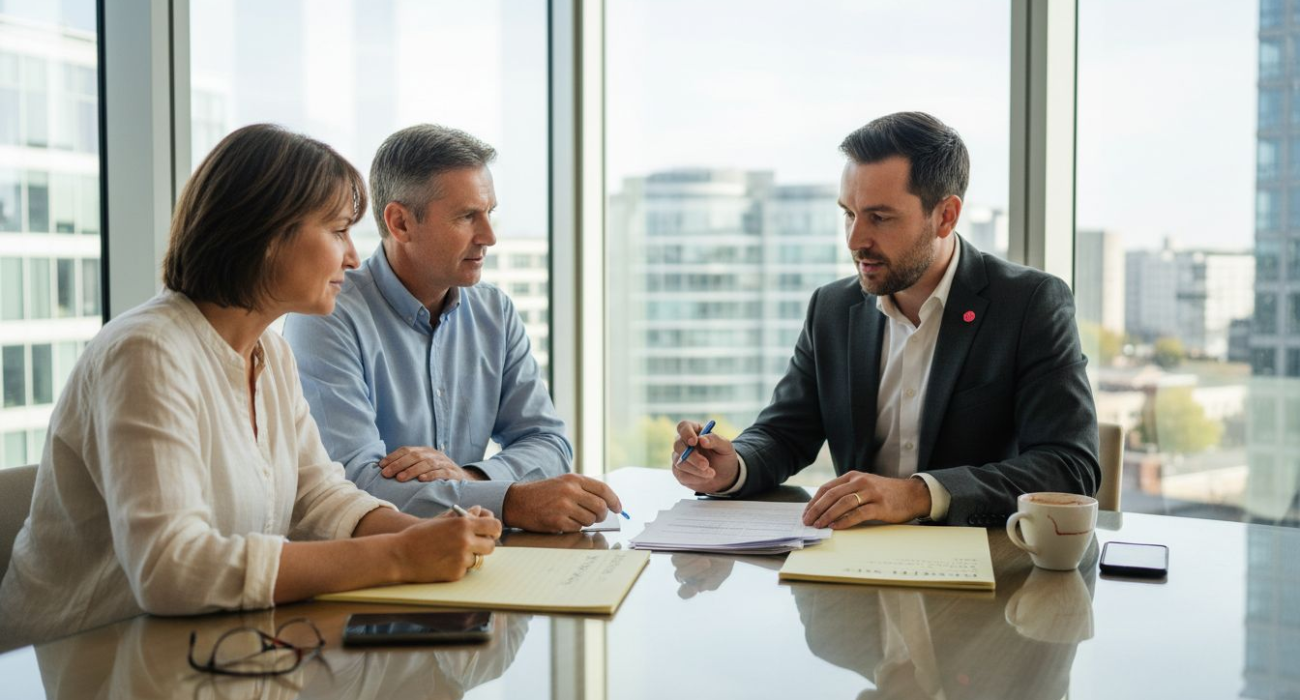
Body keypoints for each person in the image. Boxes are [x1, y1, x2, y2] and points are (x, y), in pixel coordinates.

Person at [0, 124, 501, 644]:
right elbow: (172, 569)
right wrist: (398, 556)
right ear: (264, 236)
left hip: (198, 649)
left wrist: (432, 536)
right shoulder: (145, 352)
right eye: (337, 231)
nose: (353, 257)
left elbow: (318, 498)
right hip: (75, 660)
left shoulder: (270, 353)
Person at [671, 112, 1099, 528]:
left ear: (945, 216)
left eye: (880, 217)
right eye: (848, 214)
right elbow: (785, 433)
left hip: (987, 570)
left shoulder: (1028, 304)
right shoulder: (832, 308)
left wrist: (917, 494)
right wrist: (733, 465)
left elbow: (1069, 468)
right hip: (854, 566)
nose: (856, 240)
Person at [283, 124, 621, 534]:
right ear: (401, 223)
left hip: (475, 557)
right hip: (376, 573)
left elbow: (549, 444)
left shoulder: (494, 311)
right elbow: (352, 487)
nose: (490, 237)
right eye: (467, 217)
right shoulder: (326, 314)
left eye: (490, 213)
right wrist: (509, 500)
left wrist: (473, 478)